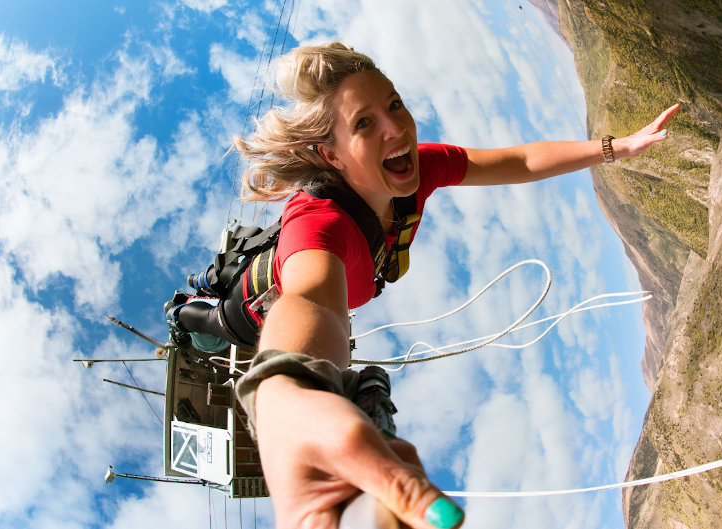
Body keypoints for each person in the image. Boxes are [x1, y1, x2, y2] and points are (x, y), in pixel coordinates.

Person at [184, 42, 679, 529]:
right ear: (330, 156)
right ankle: (184, 314)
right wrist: (283, 390)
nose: (395, 128)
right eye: (364, 123)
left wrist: (618, 148)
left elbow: (519, 160)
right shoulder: (318, 225)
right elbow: (313, 300)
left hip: (298, 293)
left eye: (394, 104)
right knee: (211, 327)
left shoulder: (418, 170)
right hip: (251, 305)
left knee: (219, 329)